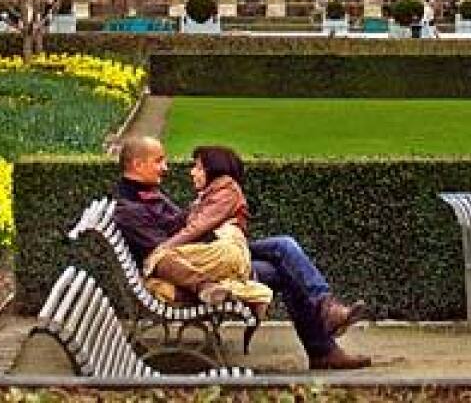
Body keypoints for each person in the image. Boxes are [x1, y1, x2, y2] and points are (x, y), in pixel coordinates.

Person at [114, 136, 372, 370]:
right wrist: (205, 266)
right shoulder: (131, 209)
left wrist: (207, 212)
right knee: (284, 261)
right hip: (204, 266)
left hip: (210, 253)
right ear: (138, 165)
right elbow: (164, 257)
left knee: (284, 247)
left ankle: (326, 315)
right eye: (159, 161)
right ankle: (324, 340)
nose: (166, 167)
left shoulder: (145, 197)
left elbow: (181, 227)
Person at [143, 146, 273, 313]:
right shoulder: (211, 193)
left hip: (226, 251)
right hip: (222, 252)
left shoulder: (226, 190)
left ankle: (248, 293)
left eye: (198, 168)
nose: (192, 172)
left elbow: (196, 227)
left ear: (213, 169)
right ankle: (243, 293)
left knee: (162, 261)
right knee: (158, 282)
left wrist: (162, 248)